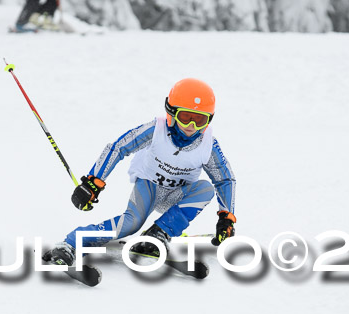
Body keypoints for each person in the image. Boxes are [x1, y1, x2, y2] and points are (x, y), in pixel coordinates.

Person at [44, 78, 237, 267]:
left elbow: (225, 179)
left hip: (177, 195)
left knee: (205, 189)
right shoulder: (155, 130)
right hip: (148, 186)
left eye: (199, 120)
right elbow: (118, 147)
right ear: (171, 112)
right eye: (185, 117)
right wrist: (94, 182)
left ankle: (159, 233)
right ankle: (72, 243)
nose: (191, 126)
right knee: (132, 223)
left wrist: (226, 217)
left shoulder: (208, 146)